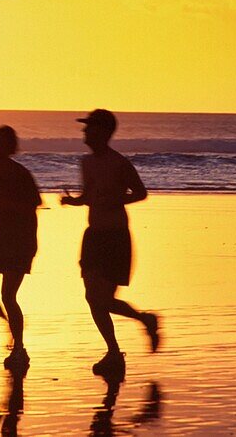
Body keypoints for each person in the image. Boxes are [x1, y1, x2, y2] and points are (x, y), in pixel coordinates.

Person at [61, 109, 159, 376]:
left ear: (104, 132)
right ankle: (116, 349)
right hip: (93, 235)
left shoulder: (120, 163)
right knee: (94, 298)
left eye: (89, 128)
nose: (84, 132)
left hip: (115, 237)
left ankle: (137, 327)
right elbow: (89, 196)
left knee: (103, 299)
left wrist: (117, 200)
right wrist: (74, 201)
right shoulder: (86, 162)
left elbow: (141, 193)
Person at [0, 125, 41, 371]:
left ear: (10, 146)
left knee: (8, 295)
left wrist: (6, 205)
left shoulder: (21, 174)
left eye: (0, 143)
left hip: (20, 240)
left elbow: (34, 204)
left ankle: (20, 349)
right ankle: (9, 325)